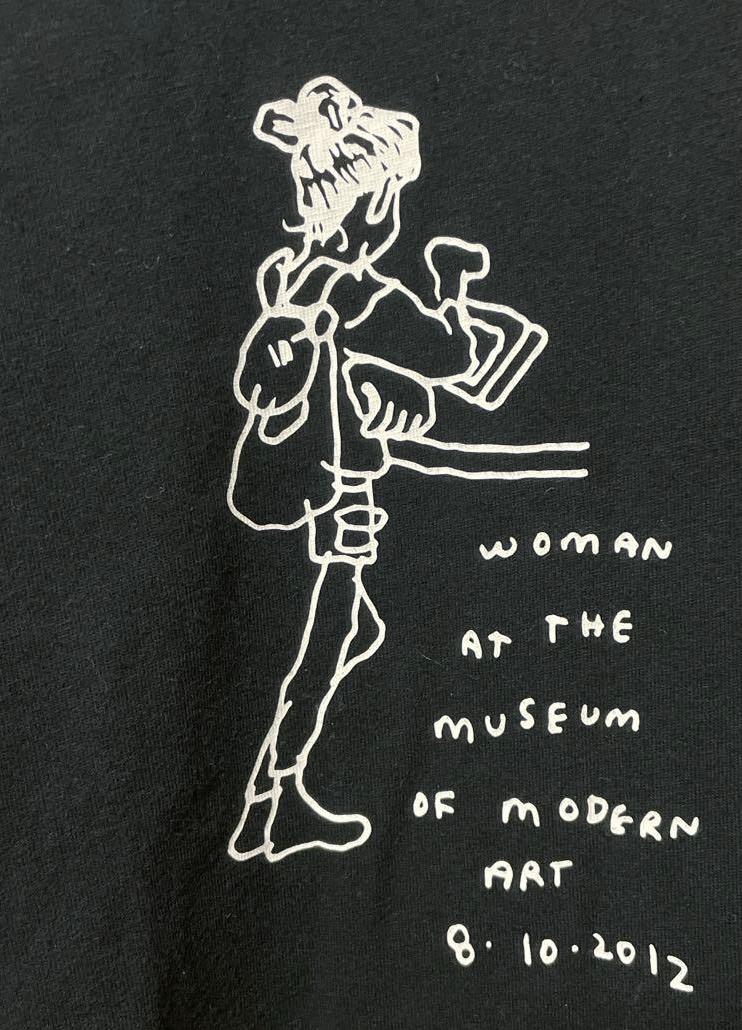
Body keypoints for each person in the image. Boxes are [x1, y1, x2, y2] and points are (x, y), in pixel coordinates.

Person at [225, 77, 584, 862]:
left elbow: (346, 377)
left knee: (354, 627)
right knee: (331, 638)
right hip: (341, 493)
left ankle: (269, 799)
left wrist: (379, 395)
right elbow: (455, 357)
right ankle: (270, 802)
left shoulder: (286, 274)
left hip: (306, 478)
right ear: (375, 201)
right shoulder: (358, 292)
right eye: (393, 193)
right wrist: (453, 289)